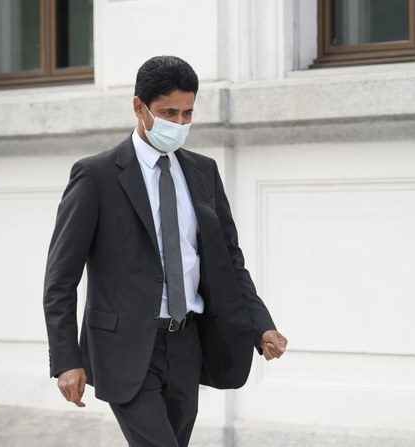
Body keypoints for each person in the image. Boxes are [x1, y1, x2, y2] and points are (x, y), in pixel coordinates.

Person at [43, 55, 287, 447]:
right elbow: (60, 278)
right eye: (168, 112)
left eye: (187, 113)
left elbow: (229, 262)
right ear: (139, 107)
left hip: (186, 343)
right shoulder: (96, 176)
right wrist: (66, 360)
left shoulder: (203, 172)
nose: (178, 124)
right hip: (125, 347)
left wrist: (261, 324)